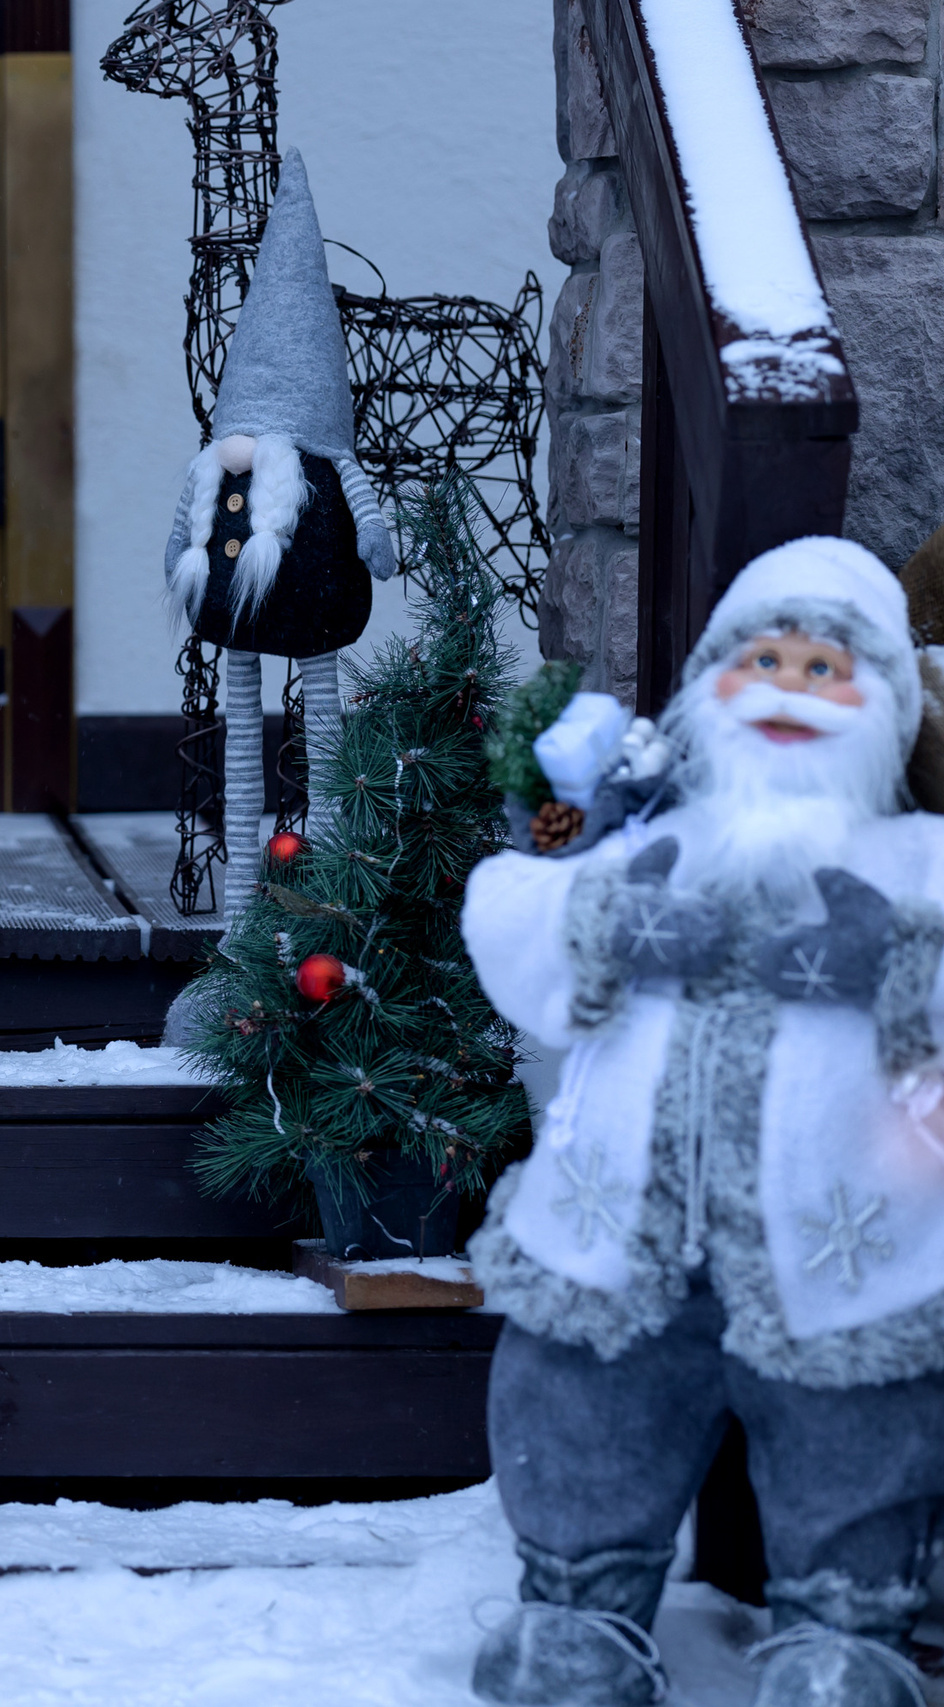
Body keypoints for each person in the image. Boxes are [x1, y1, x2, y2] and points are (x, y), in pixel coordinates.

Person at [459, 537, 944, 1707]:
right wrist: (600, 921)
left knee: (855, 1425)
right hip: (620, 1233)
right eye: (762, 658)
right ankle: (577, 1610)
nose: (789, 686)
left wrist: (900, 965)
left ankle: (844, 1628)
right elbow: (506, 918)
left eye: (827, 668)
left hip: (843, 1242)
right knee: (578, 1398)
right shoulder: (648, 848)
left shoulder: (914, 861)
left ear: (887, 706)